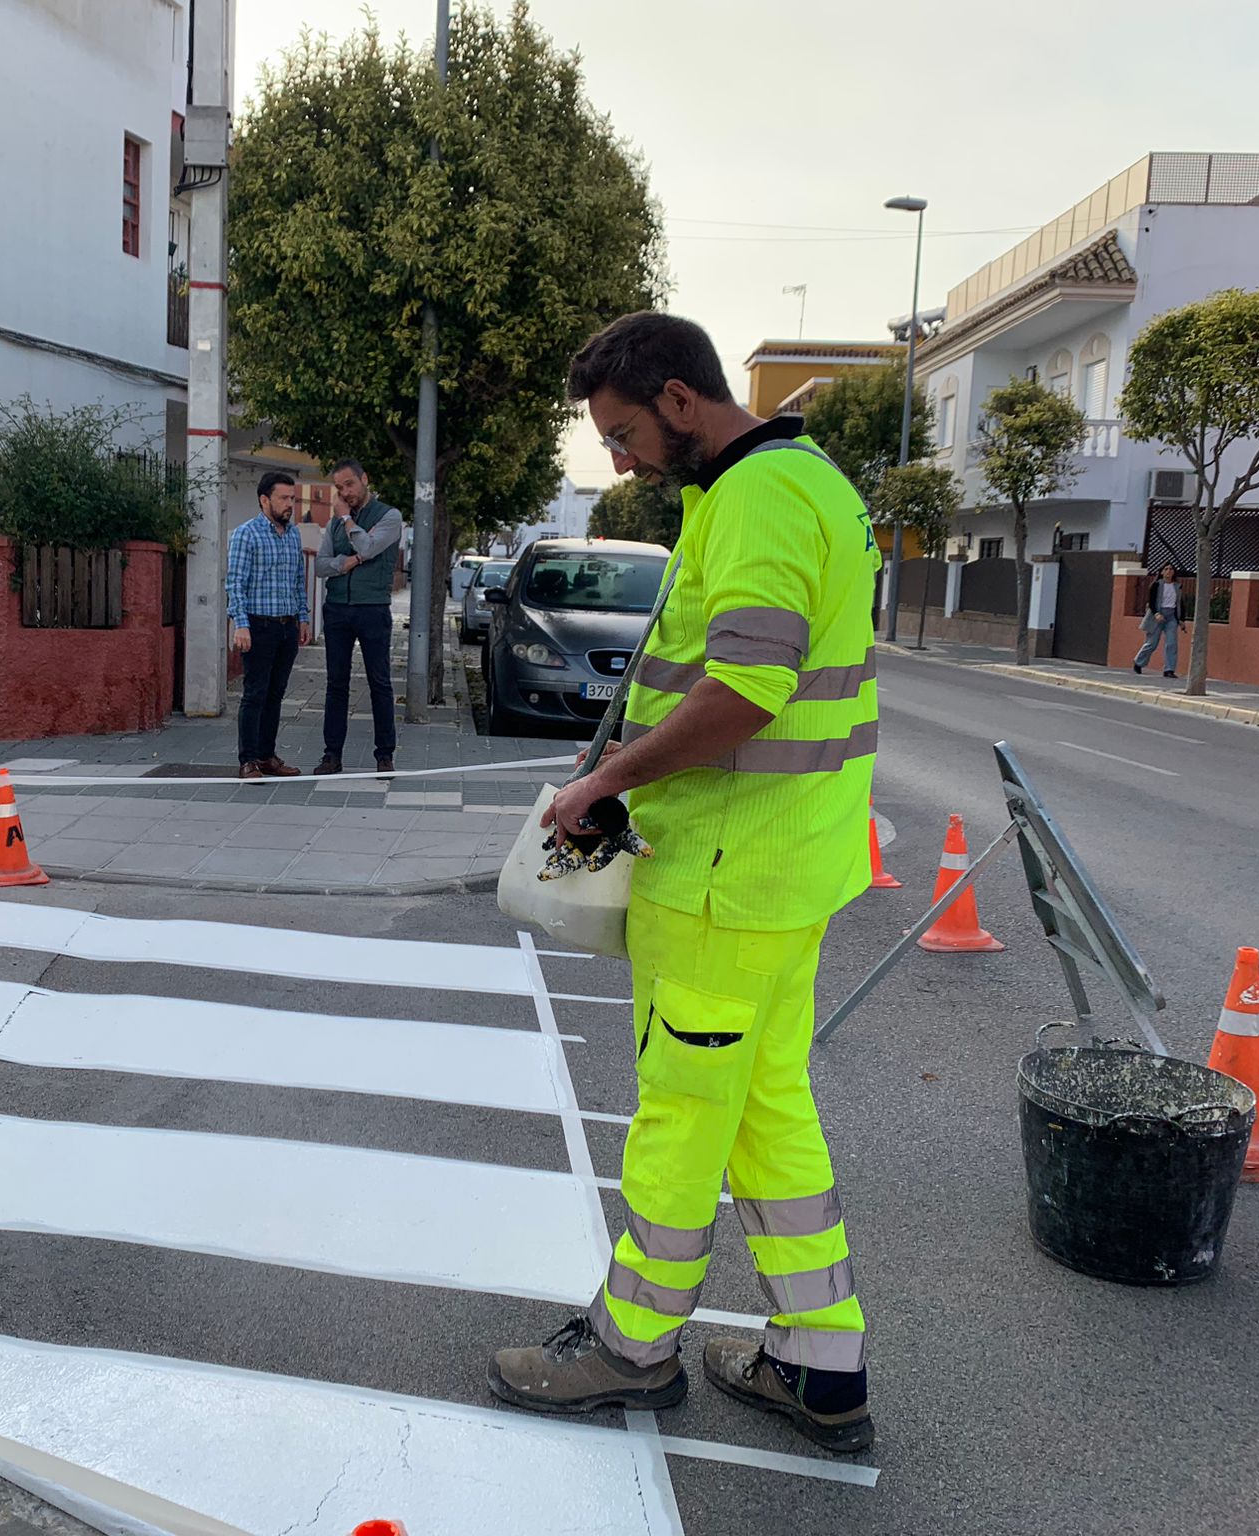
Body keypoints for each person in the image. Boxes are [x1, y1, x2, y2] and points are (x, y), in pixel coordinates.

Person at [488, 312, 881, 1454]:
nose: (615, 461)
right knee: (766, 1113)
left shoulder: (755, 499)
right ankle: (822, 1367)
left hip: (721, 875)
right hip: (786, 870)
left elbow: (746, 689)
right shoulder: (806, 484)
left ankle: (629, 1350)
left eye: (619, 434)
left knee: (674, 1121)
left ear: (674, 399)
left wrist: (607, 777)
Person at [312, 460, 404, 774]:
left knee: (379, 682)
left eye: (349, 484)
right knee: (336, 683)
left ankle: (384, 755)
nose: (345, 492)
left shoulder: (390, 516)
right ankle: (332, 755)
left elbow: (368, 546)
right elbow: (320, 566)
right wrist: (348, 561)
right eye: (339, 488)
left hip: (372, 608)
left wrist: (349, 524)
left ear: (364, 479)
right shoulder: (336, 523)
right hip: (337, 608)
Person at [225, 471, 312, 781]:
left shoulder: (293, 534)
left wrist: (303, 617)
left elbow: (298, 581)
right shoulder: (245, 534)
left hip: (287, 627)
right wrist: (241, 624)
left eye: (293, 498)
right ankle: (247, 760)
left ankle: (266, 755)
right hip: (258, 627)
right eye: (284, 498)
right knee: (255, 693)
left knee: (276, 694)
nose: (291, 504)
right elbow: (235, 583)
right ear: (265, 500)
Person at [1133, 562, 1186, 679]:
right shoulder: (1156, 585)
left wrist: (1181, 619)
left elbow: (1180, 603)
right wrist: (1156, 613)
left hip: (1171, 616)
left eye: (1171, 569)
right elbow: (1151, 601)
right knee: (1152, 643)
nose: (1169, 571)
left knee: (1171, 643)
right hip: (1157, 615)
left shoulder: (1177, 586)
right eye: (1166, 569)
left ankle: (1169, 669)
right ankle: (1138, 662)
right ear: (1162, 572)